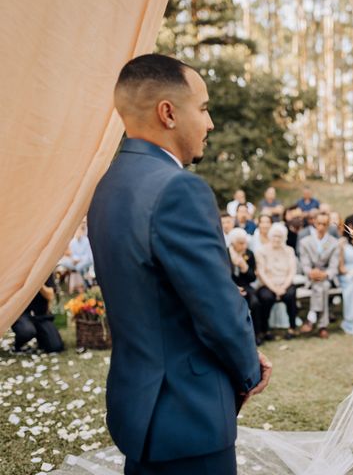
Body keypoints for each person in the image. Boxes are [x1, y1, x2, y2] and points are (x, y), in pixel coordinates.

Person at [87, 54, 271, 474]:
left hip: (138, 409)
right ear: (168, 113)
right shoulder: (178, 190)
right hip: (187, 412)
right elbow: (217, 308)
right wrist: (248, 369)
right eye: (203, 109)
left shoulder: (108, 186)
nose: (209, 124)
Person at [298, 212, 340, 339]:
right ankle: (322, 326)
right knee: (323, 287)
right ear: (314, 223)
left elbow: (334, 266)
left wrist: (325, 274)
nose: (321, 226)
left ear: (328, 225)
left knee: (324, 284)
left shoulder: (334, 242)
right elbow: (304, 264)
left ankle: (312, 317)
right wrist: (311, 273)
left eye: (324, 224)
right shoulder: (305, 242)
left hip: (327, 277)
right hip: (311, 278)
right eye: (319, 223)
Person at [255, 223, 299, 340]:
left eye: (280, 236)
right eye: (274, 236)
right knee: (266, 297)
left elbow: (292, 271)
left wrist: (283, 287)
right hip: (267, 284)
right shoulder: (261, 251)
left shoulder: (289, 250)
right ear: (270, 236)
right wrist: (274, 288)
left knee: (290, 295)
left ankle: (292, 328)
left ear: (284, 237)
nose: (277, 239)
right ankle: (265, 330)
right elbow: (262, 273)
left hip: (285, 283)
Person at [228, 228, 264, 346]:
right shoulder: (225, 254)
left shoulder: (249, 253)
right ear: (233, 243)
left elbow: (252, 278)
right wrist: (233, 288)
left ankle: (257, 333)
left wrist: (244, 267)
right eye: (240, 243)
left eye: (245, 242)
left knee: (255, 302)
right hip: (229, 286)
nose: (244, 246)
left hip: (245, 286)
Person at [11, 274, 64, 353]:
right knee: (27, 331)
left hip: (40, 315)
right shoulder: (18, 270)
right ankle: (18, 344)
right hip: (23, 314)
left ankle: (41, 339)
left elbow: (50, 296)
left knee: (55, 346)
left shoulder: (45, 269)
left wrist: (38, 282)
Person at [57, 218, 94, 293]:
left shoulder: (86, 241)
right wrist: (74, 259)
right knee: (65, 262)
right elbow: (73, 254)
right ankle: (80, 285)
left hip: (85, 261)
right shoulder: (73, 242)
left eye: (79, 230)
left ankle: (84, 284)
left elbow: (89, 255)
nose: (78, 232)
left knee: (78, 267)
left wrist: (79, 260)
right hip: (75, 262)